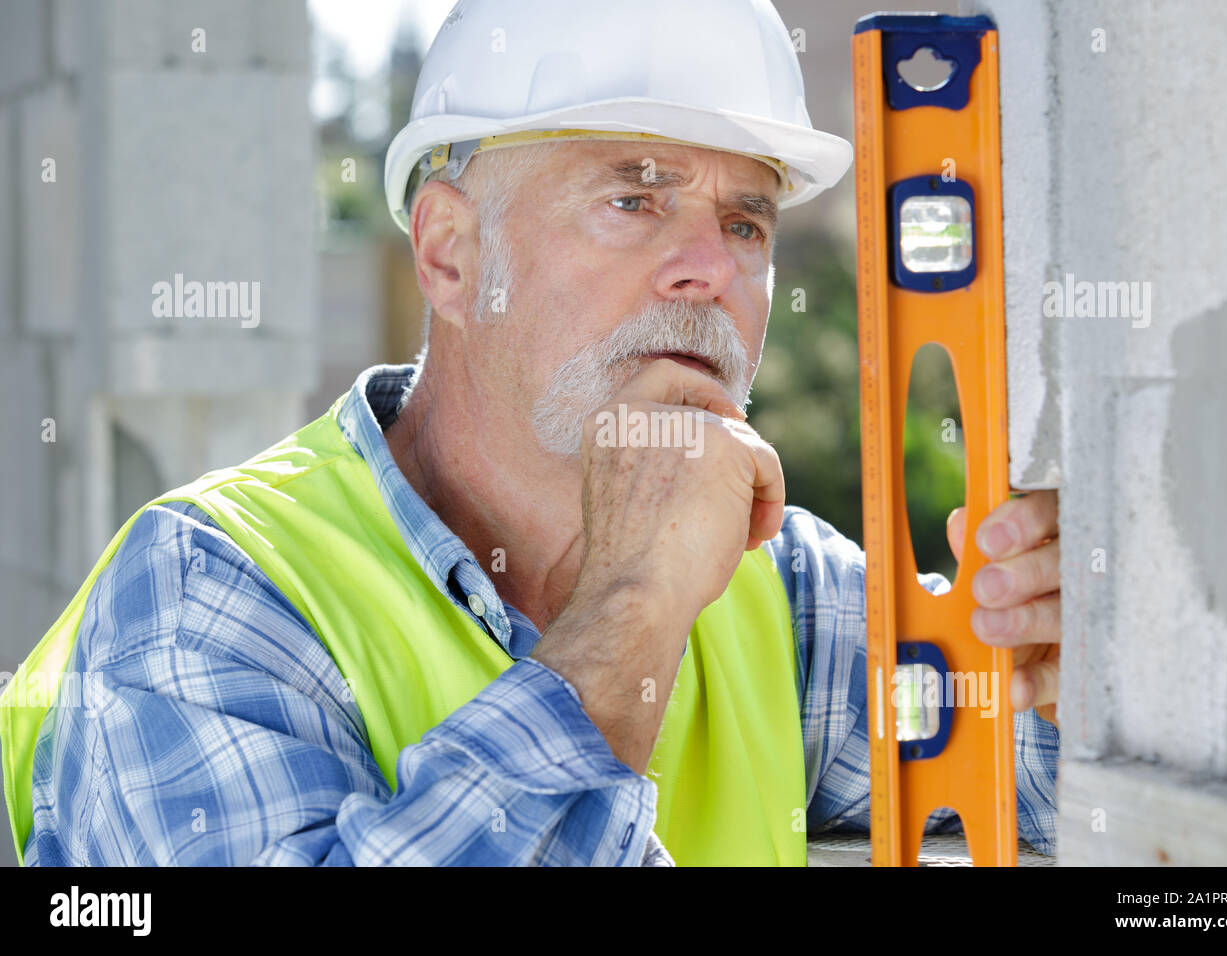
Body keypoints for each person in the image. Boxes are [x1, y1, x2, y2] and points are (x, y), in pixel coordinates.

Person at [2, 0, 1060, 866]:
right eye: (634, 201)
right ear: (452, 256)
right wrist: (632, 607)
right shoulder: (208, 594)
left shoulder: (780, 588)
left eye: (745, 222)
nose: (712, 270)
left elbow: (1085, 809)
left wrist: (1080, 672)